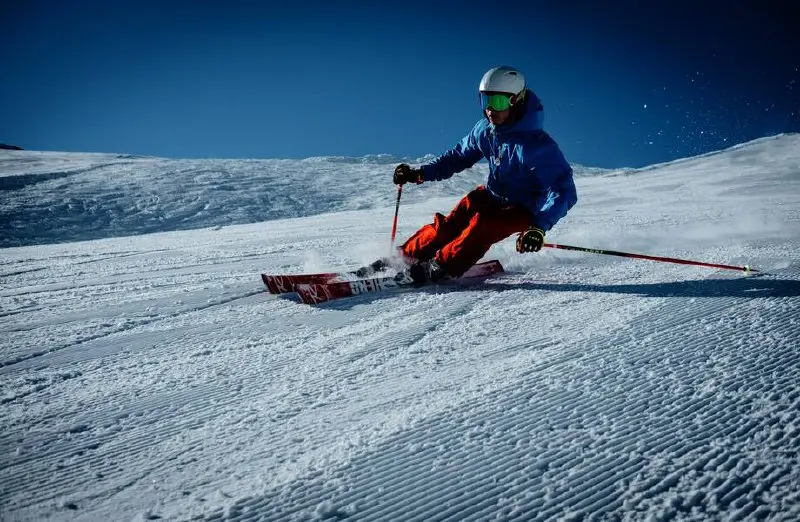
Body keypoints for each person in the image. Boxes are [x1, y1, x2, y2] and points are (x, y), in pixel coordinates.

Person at [391, 65, 577, 285]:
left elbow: (562, 190)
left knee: (483, 226)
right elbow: (457, 157)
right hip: (492, 195)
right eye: (485, 101)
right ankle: (406, 256)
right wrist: (419, 173)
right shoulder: (485, 131)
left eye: (497, 102)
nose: (490, 109)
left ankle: (440, 266)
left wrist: (538, 226)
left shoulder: (536, 146)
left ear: (515, 101)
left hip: (523, 208)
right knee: (453, 222)